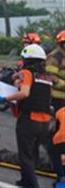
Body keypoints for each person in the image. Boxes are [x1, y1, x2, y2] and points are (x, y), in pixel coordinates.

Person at [0, 44, 52, 188]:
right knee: (34, 153)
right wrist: (17, 80)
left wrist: (5, 99)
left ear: (27, 59)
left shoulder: (27, 72)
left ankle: (31, 184)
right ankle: (25, 180)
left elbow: (25, 93)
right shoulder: (46, 76)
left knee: (26, 155)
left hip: (29, 120)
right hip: (44, 122)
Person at [46, 30, 65, 187]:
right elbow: (51, 77)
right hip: (58, 101)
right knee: (56, 138)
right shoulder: (55, 57)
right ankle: (60, 175)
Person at [52, 107, 65, 188]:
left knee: (58, 160)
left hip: (61, 140)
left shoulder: (61, 111)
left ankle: (61, 181)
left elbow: (54, 129)